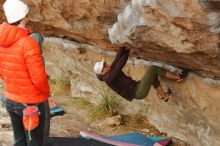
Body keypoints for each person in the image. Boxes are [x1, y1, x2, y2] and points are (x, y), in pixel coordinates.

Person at [0, 0, 50, 146]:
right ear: (23, 17)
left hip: (11, 99)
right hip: (31, 102)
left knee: (20, 141)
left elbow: (2, 72)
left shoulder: (2, 42)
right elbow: (39, 78)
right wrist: (45, 94)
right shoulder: (29, 43)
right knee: (37, 142)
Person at [94, 47, 187, 102]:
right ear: (102, 71)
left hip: (137, 86)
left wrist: (122, 47)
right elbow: (120, 64)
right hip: (138, 92)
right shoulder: (109, 78)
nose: (106, 64)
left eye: (105, 63)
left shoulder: (109, 72)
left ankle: (164, 96)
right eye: (104, 65)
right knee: (153, 69)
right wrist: (128, 49)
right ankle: (178, 77)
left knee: (152, 76)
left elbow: (116, 59)